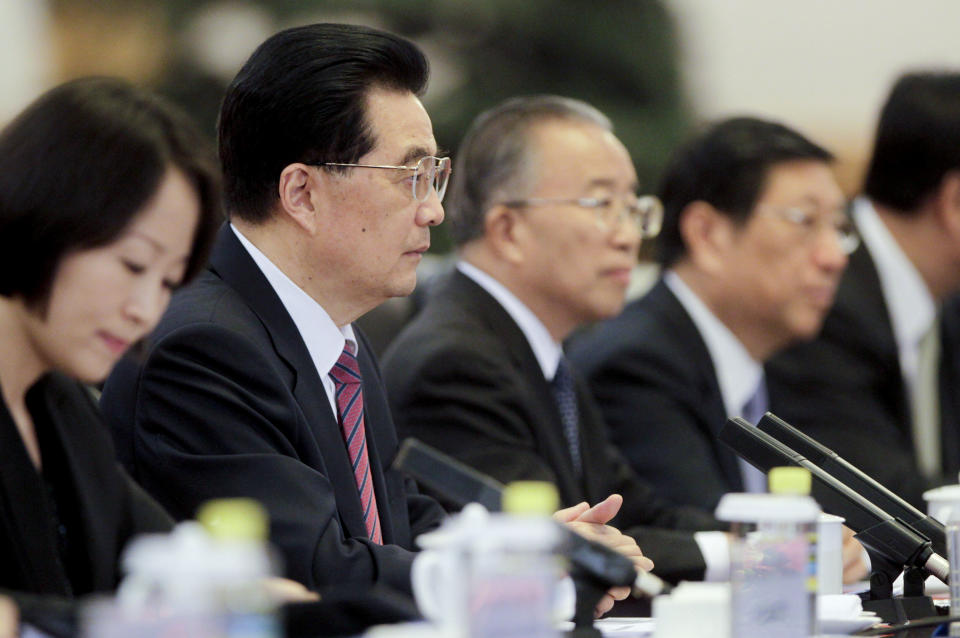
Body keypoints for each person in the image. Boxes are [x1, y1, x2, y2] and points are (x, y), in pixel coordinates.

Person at [101, 25, 645, 611]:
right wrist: (524, 581)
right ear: (302, 193)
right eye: (412, 178)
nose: (434, 210)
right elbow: (316, 565)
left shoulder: (337, 335)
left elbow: (399, 519)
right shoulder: (203, 348)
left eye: (435, 177)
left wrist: (525, 550)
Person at [382, 95, 734, 584]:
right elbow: (561, 546)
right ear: (507, 229)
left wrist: (761, 544)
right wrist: (743, 557)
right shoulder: (455, 364)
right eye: (601, 204)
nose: (629, 236)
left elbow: (632, 513)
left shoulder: (543, 353)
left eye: (633, 207)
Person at [0, 77, 220, 626]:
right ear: (44, 211)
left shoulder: (65, 408)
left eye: (169, 281)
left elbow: (178, 567)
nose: (145, 310)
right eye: (133, 265)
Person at [570, 116, 850, 511]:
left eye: (839, 227)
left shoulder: (790, 363)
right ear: (707, 234)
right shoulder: (636, 368)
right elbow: (696, 538)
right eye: (805, 221)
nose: (834, 257)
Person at [767, 72, 960, 508]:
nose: (828, 251)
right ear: (953, 203)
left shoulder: (945, 300)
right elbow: (878, 502)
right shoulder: (823, 297)